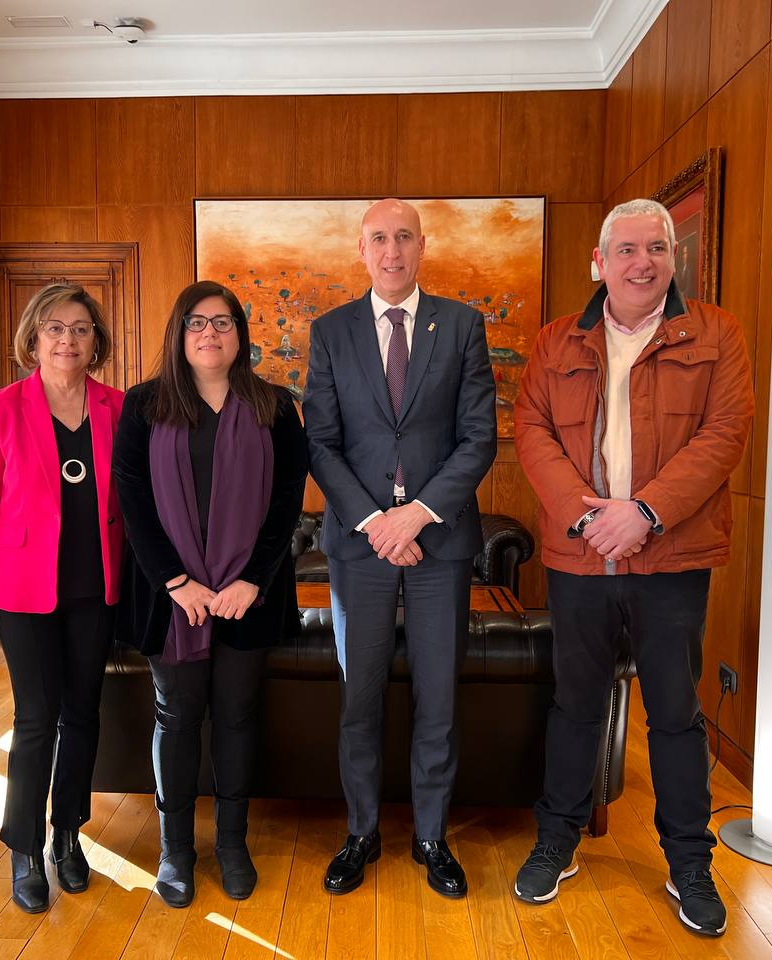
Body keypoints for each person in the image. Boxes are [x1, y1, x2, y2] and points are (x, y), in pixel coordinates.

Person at [513, 199, 754, 936]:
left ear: (673, 258)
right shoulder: (557, 342)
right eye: (626, 249)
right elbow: (531, 432)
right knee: (574, 703)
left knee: (675, 718)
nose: (641, 262)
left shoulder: (717, 334)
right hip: (579, 558)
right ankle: (558, 839)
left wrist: (644, 511)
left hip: (672, 557)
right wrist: (589, 517)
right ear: (600, 261)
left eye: (656, 248)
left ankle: (689, 864)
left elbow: (725, 434)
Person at [303, 198, 496, 899]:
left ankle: (430, 836)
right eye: (379, 238)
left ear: (423, 246)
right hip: (360, 551)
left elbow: (479, 439)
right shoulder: (329, 332)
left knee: (438, 699)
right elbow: (319, 443)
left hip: (440, 546)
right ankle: (360, 833)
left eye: (404, 237)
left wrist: (414, 515)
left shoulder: (464, 326)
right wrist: (375, 523)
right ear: (361, 249)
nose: (393, 251)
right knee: (361, 700)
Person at [114, 280, 308, 908]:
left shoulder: (275, 406)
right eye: (197, 323)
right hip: (173, 600)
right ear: (180, 333)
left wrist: (251, 580)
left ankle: (231, 843)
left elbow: (286, 504)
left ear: (240, 336)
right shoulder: (144, 406)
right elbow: (134, 504)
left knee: (236, 717)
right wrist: (178, 582)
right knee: (176, 717)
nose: (210, 334)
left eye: (223, 323)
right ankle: (176, 850)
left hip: (247, 596)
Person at [0, 283, 126, 914]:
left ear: (95, 342)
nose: (67, 340)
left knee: (83, 715)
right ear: (34, 337)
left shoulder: (116, 406)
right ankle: (24, 848)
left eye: (80, 329)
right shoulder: (1, 408)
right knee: (35, 720)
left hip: (94, 586)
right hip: (22, 589)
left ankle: (67, 836)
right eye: (55, 328)